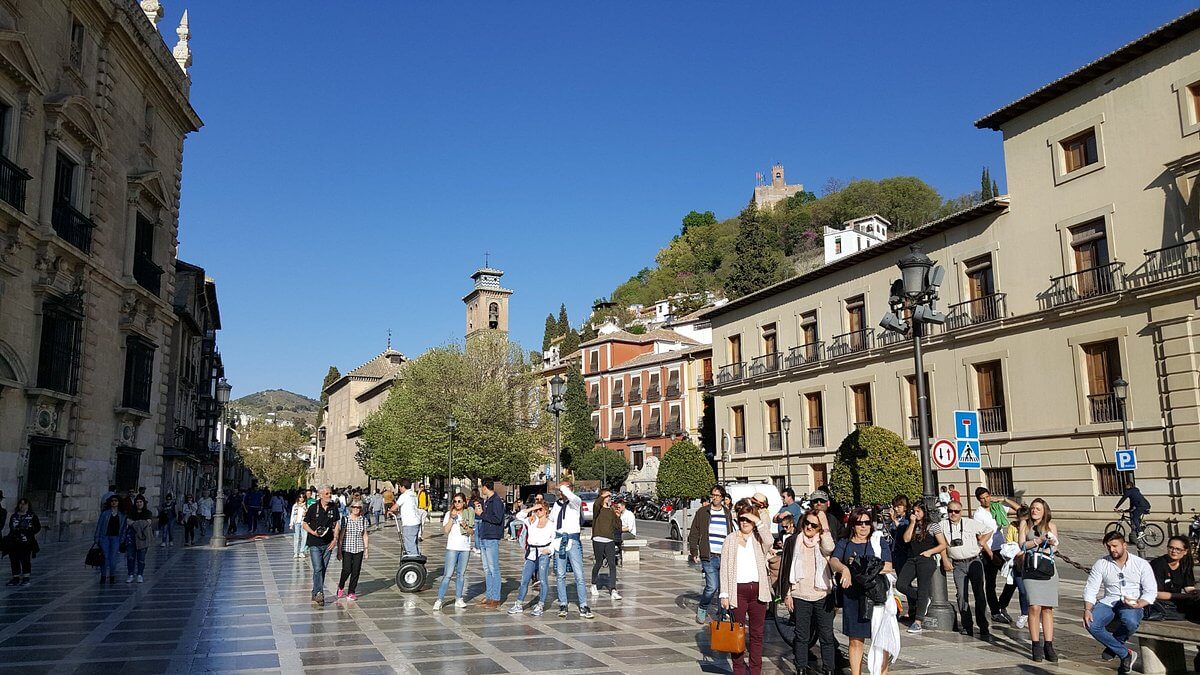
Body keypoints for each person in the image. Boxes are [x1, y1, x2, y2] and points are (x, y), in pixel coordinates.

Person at [829, 507, 897, 675]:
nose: (864, 526)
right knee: (855, 640)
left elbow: (888, 566)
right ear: (852, 525)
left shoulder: (877, 541)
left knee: (881, 641)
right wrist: (845, 569)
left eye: (867, 522)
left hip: (876, 597)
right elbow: (833, 561)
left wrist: (862, 566)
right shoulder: (844, 542)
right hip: (853, 597)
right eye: (859, 523)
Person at [1084, 531, 1157, 674]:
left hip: (1132, 601)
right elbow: (1091, 588)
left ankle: (1113, 646)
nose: (1112, 550)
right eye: (1109, 547)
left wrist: (1140, 603)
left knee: (1130, 621)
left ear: (1124, 545)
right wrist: (1087, 608)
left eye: (1115, 546)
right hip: (1109, 601)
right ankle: (1125, 654)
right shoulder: (1101, 563)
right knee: (1091, 624)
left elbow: (1151, 590)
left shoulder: (1140, 564)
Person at [778, 508, 837, 674]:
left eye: (814, 525)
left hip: (822, 594)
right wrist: (787, 594)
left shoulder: (823, 541)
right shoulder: (793, 541)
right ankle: (801, 668)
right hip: (800, 594)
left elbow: (830, 548)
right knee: (802, 635)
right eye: (807, 523)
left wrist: (824, 524)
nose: (809, 527)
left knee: (826, 636)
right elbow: (786, 568)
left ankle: (829, 669)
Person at [719, 506, 772, 675]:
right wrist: (724, 594)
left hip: (758, 590)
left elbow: (770, 540)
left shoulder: (759, 539)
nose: (745, 522)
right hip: (738, 591)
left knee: (757, 634)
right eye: (742, 519)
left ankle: (756, 670)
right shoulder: (730, 539)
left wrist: (757, 520)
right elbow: (724, 568)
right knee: (738, 633)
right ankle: (739, 670)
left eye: (748, 519)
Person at [941, 500, 993, 638]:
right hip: (958, 564)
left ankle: (983, 626)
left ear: (961, 512)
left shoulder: (970, 523)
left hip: (974, 561)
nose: (953, 514)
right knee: (961, 595)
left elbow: (989, 529)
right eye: (950, 511)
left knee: (979, 594)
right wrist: (945, 559)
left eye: (956, 511)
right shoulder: (943, 525)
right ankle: (967, 625)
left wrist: (982, 542)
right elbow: (939, 541)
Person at [897, 501, 948, 634]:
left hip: (925, 559)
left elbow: (943, 544)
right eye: (914, 511)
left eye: (918, 511)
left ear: (925, 512)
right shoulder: (912, 525)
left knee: (923, 586)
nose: (916, 514)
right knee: (900, 584)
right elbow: (906, 539)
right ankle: (923, 599)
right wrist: (912, 523)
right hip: (911, 559)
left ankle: (918, 621)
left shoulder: (933, 526)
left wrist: (930, 552)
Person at [1019, 498, 1060, 663]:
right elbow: (1021, 545)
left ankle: (1049, 645)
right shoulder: (1025, 524)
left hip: (1047, 568)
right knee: (1034, 607)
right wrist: (1038, 540)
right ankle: (1035, 644)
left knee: (1047, 609)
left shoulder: (1051, 526)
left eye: (1038, 509)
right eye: (1033, 508)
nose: (1035, 511)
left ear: (1044, 511)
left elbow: (1055, 547)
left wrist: (1051, 541)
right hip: (1030, 568)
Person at [974, 487, 1021, 624]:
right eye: (982, 498)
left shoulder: (997, 508)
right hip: (988, 550)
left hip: (1002, 549)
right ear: (979, 500)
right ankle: (995, 612)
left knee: (1012, 579)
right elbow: (979, 537)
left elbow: (1020, 511)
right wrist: (989, 554)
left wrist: (1005, 499)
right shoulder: (979, 514)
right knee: (990, 583)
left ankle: (1002, 604)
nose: (986, 500)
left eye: (987, 496)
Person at [687, 485, 731, 624]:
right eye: (713, 495)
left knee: (724, 587)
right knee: (712, 586)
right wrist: (694, 551)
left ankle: (722, 612)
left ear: (723, 497)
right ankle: (703, 607)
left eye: (717, 495)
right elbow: (694, 532)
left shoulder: (727, 512)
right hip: (709, 555)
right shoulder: (703, 512)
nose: (715, 498)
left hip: (724, 555)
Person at [548, 480, 591, 618]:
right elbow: (552, 522)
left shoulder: (575, 503)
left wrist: (563, 488)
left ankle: (583, 604)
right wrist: (550, 542)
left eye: (564, 489)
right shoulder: (557, 505)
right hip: (559, 540)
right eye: (560, 490)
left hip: (572, 541)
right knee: (560, 575)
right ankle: (563, 603)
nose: (561, 492)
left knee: (579, 575)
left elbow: (572, 497)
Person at [509, 500, 555, 615]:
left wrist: (550, 549)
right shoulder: (532, 521)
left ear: (546, 511)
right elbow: (519, 515)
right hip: (531, 552)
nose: (538, 511)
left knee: (543, 580)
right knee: (525, 579)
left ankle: (541, 604)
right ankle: (519, 603)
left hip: (543, 552)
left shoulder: (551, 524)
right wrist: (532, 509)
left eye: (541, 509)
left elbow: (555, 539)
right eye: (537, 509)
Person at [433, 493, 473, 611]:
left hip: (465, 548)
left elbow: (471, 532)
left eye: (459, 501)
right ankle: (439, 600)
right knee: (448, 574)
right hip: (452, 547)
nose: (457, 504)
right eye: (455, 501)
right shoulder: (449, 514)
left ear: (464, 502)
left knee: (461, 574)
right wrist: (451, 518)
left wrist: (465, 525)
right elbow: (445, 530)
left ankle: (459, 599)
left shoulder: (468, 513)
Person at [303, 485, 342, 607]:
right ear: (320, 495)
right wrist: (313, 532)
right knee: (318, 568)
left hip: (328, 543)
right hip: (314, 543)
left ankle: (315, 592)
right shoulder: (313, 508)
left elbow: (336, 524)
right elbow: (304, 523)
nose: (329, 495)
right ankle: (320, 592)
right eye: (326, 494)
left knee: (322, 569)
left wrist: (335, 539)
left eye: (330, 493)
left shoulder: (333, 508)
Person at [1149, 536, 1200, 622]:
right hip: (1159, 603)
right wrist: (1184, 596)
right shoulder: (1158, 564)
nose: (1173, 551)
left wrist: (1195, 593)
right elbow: (1156, 594)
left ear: (1185, 552)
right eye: (1171, 548)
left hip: (1177, 600)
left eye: (1178, 549)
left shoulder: (1185, 563)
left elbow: (1188, 587)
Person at [475, 479, 506, 608]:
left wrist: (482, 514)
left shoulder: (496, 501)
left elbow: (497, 518)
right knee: (487, 569)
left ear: (485, 487)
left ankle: (495, 597)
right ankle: (489, 595)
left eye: (481, 487)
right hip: (484, 536)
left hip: (492, 537)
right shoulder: (487, 501)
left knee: (494, 568)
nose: (481, 489)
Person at [336, 500, 369, 601]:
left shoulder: (363, 520)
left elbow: (365, 535)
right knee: (347, 569)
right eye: (354, 507)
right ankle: (341, 585)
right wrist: (339, 551)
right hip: (347, 548)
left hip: (358, 548)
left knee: (356, 571)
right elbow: (341, 537)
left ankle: (351, 591)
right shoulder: (346, 520)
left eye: (358, 507)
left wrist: (366, 550)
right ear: (351, 508)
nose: (356, 509)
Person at [591, 490, 621, 600]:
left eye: (610, 496)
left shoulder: (611, 510)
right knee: (599, 563)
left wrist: (618, 516)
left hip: (609, 540)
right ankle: (593, 584)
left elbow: (617, 527)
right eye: (607, 496)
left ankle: (613, 589)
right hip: (598, 539)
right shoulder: (597, 509)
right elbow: (595, 504)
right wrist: (602, 495)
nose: (609, 498)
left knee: (612, 565)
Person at [5, 498, 41, 586]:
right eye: (21, 504)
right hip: (14, 542)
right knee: (14, 560)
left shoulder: (32, 516)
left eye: (24, 504)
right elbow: (11, 527)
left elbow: (37, 527)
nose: (22, 506)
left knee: (25, 560)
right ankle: (15, 577)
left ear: (28, 505)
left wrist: (29, 532)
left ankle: (26, 577)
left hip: (26, 543)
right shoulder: (14, 516)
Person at [94, 496, 126, 583]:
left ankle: (112, 576)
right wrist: (97, 539)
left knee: (113, 558)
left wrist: (122, 538)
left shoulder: (122, 515)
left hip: (116, 538)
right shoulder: (105, 513)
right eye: (112, 501)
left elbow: (123, 528)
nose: (114, 502)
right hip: (104, 537)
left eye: (116, 501)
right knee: (104, 557)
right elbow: (99, 526)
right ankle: (103, 576)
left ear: (119, 502)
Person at [125, 495, 154, 583]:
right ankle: (130, 574)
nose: (139, 504)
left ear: (143, 503)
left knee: (141, 558)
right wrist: (140, 523)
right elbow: (128, 522)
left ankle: (140, 574)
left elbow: (148, 522)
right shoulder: (131, 512)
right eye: (137, 502)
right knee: (130, 557)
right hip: (131, 537)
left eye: (140, 502)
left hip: (143, 537)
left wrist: (135, 523)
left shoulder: (147, 512)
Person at [391, 479, 421, 556]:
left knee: (409, 545)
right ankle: (416, 559)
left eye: (400, 487)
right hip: (416, 521)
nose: (399, 489)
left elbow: (394, 507)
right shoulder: (413, 494)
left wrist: (390, 511)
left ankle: (414, 561)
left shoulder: (404, 495)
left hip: (409, 523)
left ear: (403, 487)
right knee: (414, 543)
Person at [885, 495, 911, 573]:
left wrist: (894, 519)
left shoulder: (908, 519)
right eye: (895, 507)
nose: (896, 509)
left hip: (904, 551)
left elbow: (902, 529)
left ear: (905, 507)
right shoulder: (897, 518)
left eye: (898, 507)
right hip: (895, 550)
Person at [291, 494, 307, 558]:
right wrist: (291, 523)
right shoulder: (295, 505)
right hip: (297, 522)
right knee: (296, 538)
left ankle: (301, 551)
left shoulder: (306, 505)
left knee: (304, 537)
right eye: (300, 497)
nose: (301, 498)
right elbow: (292, 514)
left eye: (303, 497)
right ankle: (295, 552)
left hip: (304, 522)